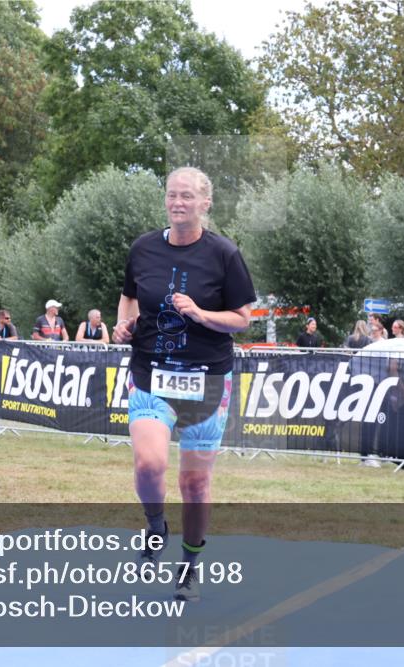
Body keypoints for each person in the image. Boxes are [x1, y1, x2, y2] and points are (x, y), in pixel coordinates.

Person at [111, 166, 255, 603]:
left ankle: (190, 563)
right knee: (149, 464)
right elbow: (129, 295)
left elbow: (243, 319)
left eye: (187, 196)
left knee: (194, 484)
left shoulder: (224, 254)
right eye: (172, 195)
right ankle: (156, 525)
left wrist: (200, 314)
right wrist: (123, 325)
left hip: (207, 379)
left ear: (205, 202)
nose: (178, 203)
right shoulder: (143, 249)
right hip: (150, 373)